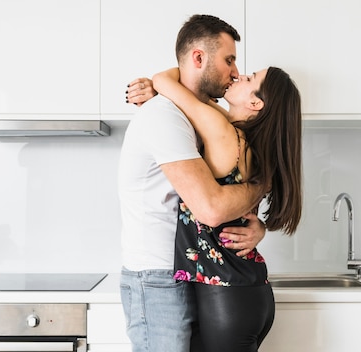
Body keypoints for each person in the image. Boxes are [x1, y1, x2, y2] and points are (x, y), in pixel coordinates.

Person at [117, 14, 268, 352]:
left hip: (186, 271)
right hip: (157, 277)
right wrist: (260, 186)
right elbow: (211, 208)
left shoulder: (199, 114)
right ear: (199, 58)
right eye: (229, 60)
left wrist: (258, 226)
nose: (234, 71)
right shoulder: (164, 116)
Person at [129, 66, 303, 352]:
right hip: (246, 293)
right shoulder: (247, 140)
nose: (239, 75)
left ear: (255, 103)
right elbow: (196, 101)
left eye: (250, 79)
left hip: (226, 297)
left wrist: (160, 87)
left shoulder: (221, 130)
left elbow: (165, 80)